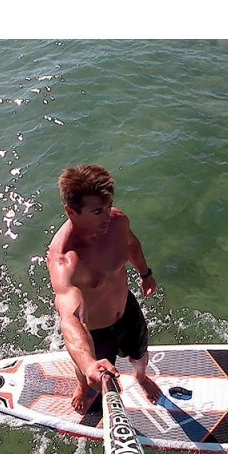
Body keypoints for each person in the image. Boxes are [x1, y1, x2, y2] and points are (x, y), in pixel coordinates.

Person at [47, 164, 162, 412]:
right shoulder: (65, 260)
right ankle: (82, 384)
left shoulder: (117, 222)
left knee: (140, 355)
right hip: (96, 332)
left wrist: (145, 274)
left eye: (108, 206)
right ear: (71, 211)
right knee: (89, 373)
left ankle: (141, 377)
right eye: (97, 211)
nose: (107, 216)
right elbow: (71, 317)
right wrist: (89, 364)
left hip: (127, 311)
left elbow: (131, 244)